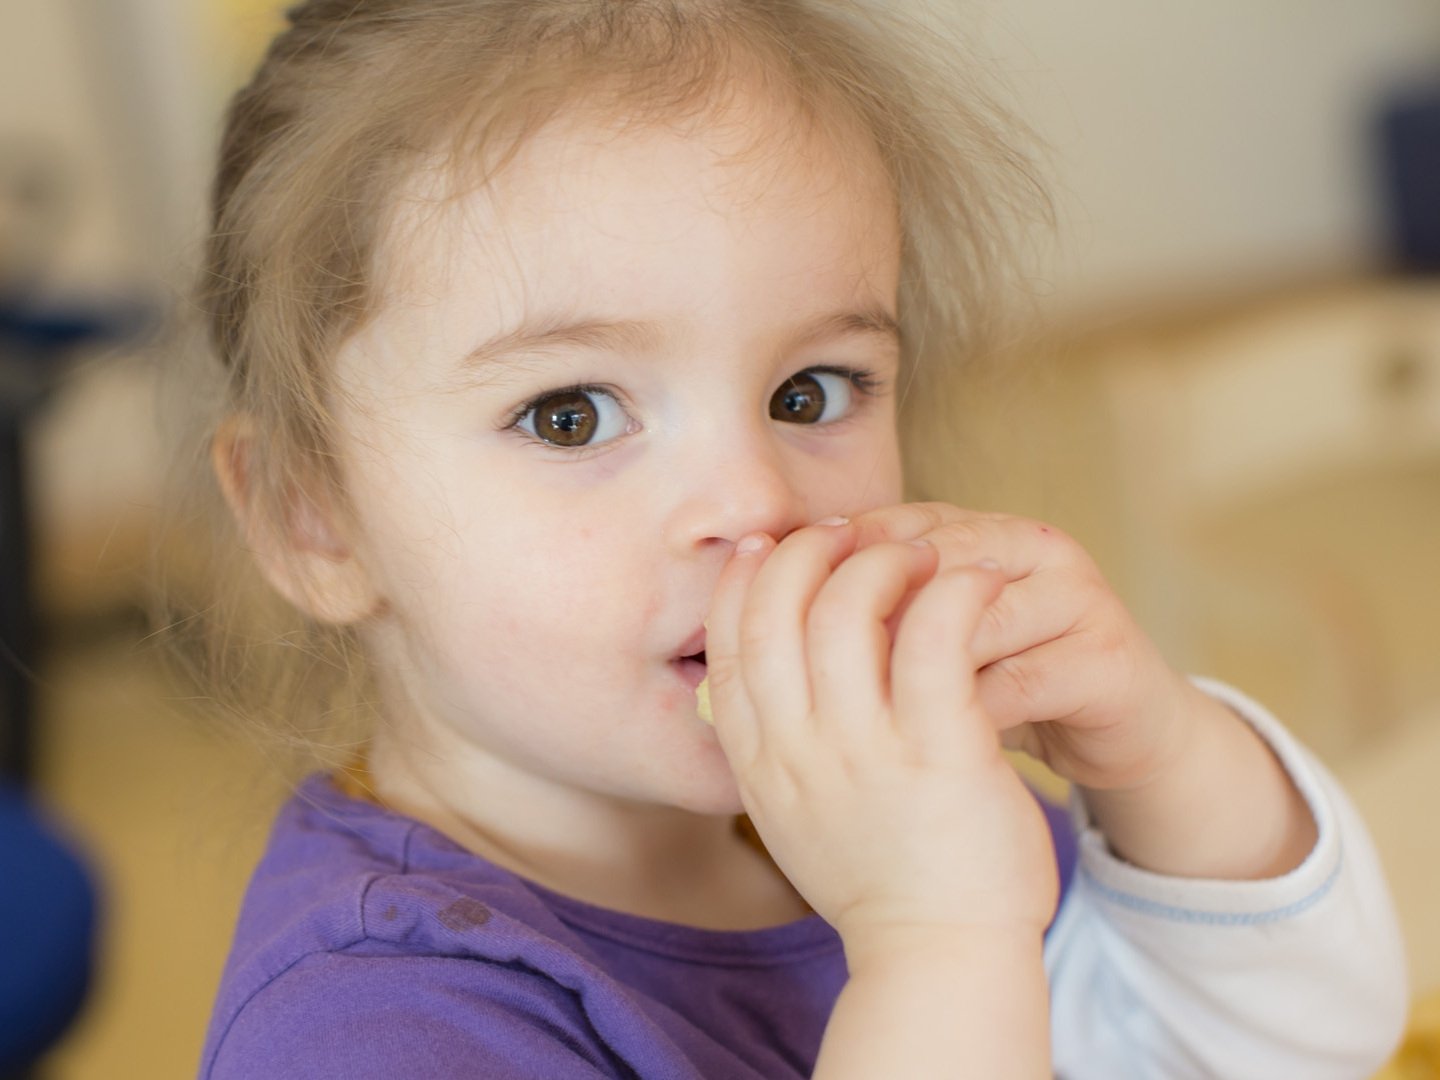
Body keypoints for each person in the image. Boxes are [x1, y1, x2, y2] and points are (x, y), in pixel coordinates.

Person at [185, 1, 1407, 1076]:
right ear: (315, 516)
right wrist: (935, 947)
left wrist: (1161, 759)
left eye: (813, 392)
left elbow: (1284, 1049)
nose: (757, 501)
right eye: (571, 415)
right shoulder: (372, 1036)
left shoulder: (866, 802)